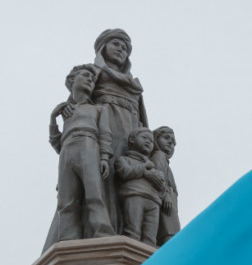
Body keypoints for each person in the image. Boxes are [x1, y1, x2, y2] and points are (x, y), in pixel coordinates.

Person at [43, 64, 114, 250]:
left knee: (94, 193)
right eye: (85, 76)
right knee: (66, 200)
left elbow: (105, 134)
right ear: (71, 82)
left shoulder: (99, 109)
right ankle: (68, 239)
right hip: (67, 151)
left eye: (92, 79)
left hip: (89, 145)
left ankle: (102, 233)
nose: (90, 80)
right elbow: (57, 144)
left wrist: (104, 157)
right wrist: (53, 118)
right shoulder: (66, 112)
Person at [90, 29, 147, 232]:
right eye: (115, 44)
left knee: (127, 182)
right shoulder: (93, 73)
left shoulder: (134, 85)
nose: (121, 50)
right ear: (102, 47)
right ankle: (102, 228)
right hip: (103, 132)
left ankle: (128, 230)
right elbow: (79, 100)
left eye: (125, 48)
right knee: (103, 179)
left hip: (130, 138)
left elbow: (143, 122)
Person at [115, 127, 165, 246]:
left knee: (150, 239)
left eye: (151, 141)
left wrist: (157, 179)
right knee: (133, 232)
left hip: (153, 201)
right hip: (134, 196)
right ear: (132, 139)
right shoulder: (124, 160)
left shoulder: (153, 167)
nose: (148, 142)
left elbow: (162, 186)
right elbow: (125, 172)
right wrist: (144, 170)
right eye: (144, 138)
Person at [151, 126, 180, 245]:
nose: (170, 143)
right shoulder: (158, 156)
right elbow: (159, 177)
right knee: (169, 233)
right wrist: (166, 195)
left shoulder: (164, 161)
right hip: (165, 202)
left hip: (169, 203)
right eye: (166, 138)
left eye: (173, 142)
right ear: (155, 138)